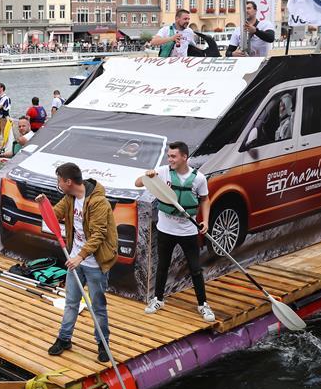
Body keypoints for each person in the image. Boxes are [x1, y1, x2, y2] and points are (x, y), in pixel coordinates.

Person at [37, 162, 118, 363]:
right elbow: (53, 218)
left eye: (59, 181)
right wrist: (43, 205)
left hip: (94, 264)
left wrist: (80, 257)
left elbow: (99, 235)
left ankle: (103, 343)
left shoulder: (99, 203)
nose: (58, 184)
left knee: (98, 306)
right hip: (76, 261)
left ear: (68, 181)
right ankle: (64, 339)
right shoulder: (70, 198)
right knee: (71, 303)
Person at [135, 141, 215, 322]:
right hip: (165, 230)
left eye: (173, 156)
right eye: (168, 156)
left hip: (188, 231)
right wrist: (147, 176)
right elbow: (138, 183)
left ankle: (203, 304)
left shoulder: (198, 178)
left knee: (195, 269)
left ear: (184, 157)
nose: (169, 159)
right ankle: (158, 299)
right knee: (162, 266)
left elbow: (205, 200)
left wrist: (206, 221)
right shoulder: (163, 172)